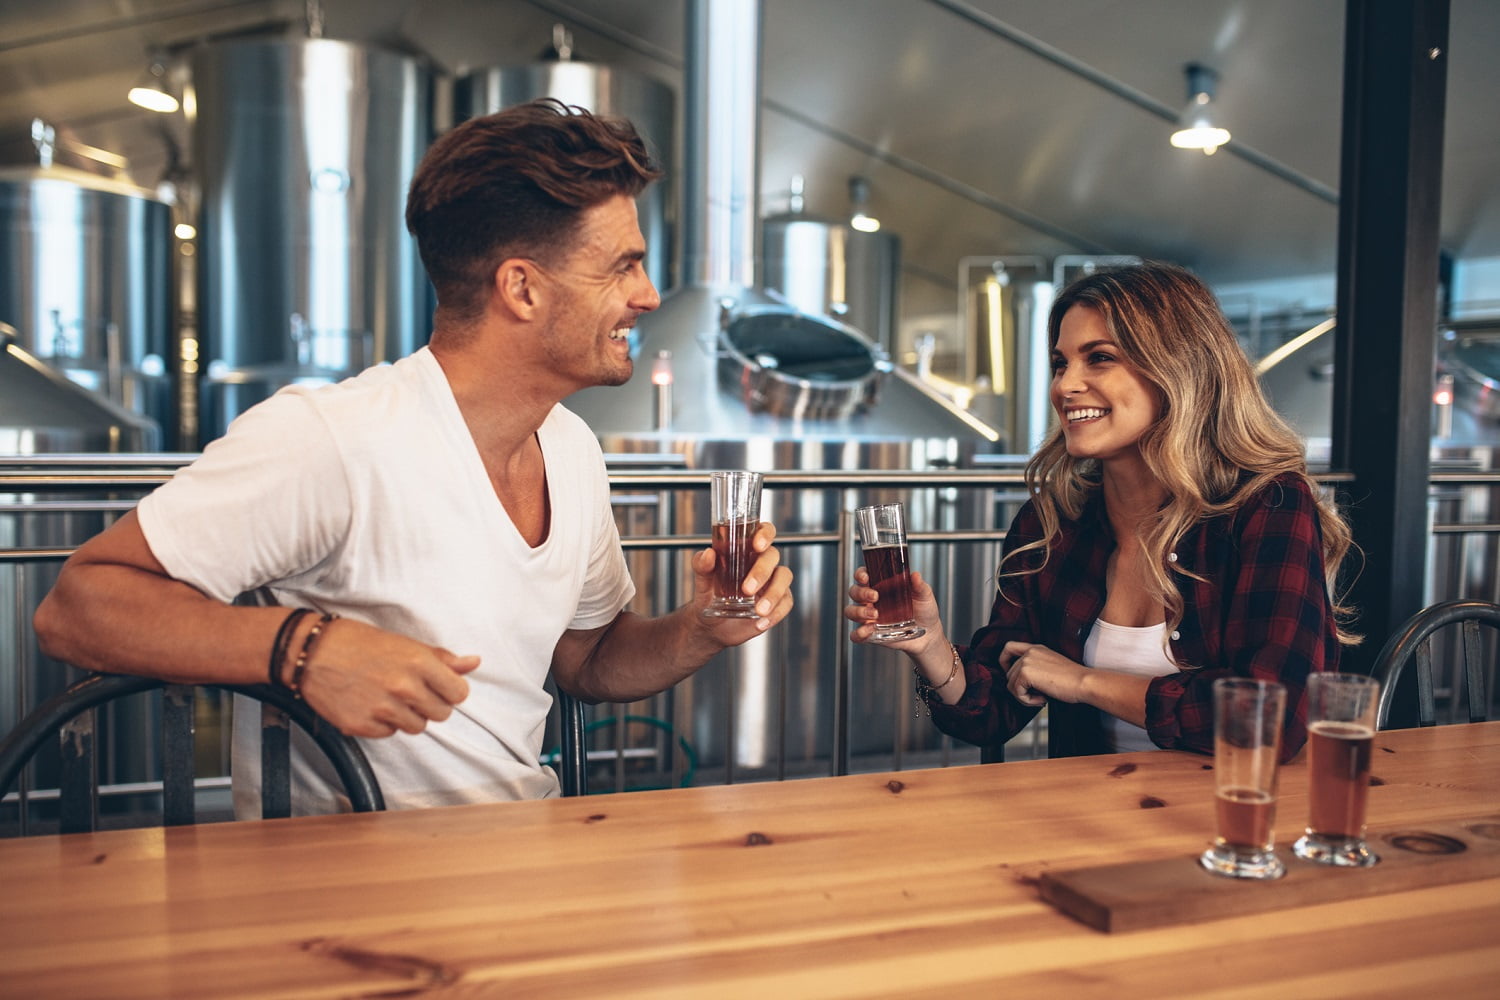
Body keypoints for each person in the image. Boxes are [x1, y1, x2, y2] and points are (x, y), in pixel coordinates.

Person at [33, 98, 794, 814]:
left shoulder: (571, 448)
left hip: (526, 860)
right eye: (621, 266)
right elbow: (79, 604)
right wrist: (304, 649)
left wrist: (701, 627)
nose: (650, 295)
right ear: (521, 288)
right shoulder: (335, 437)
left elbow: (586, 662)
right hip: (352, 896)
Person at [845, 261, 1354, 762]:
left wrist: (1085, 682)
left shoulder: (1268, 506)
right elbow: (990, 715)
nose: (1065, 386)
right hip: (1095, 818)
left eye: (1100, 358)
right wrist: (931, 644)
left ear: (1178, 370)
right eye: (1061, 363)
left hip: (1235, 819)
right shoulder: (1053, 523)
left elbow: (1274, 718)